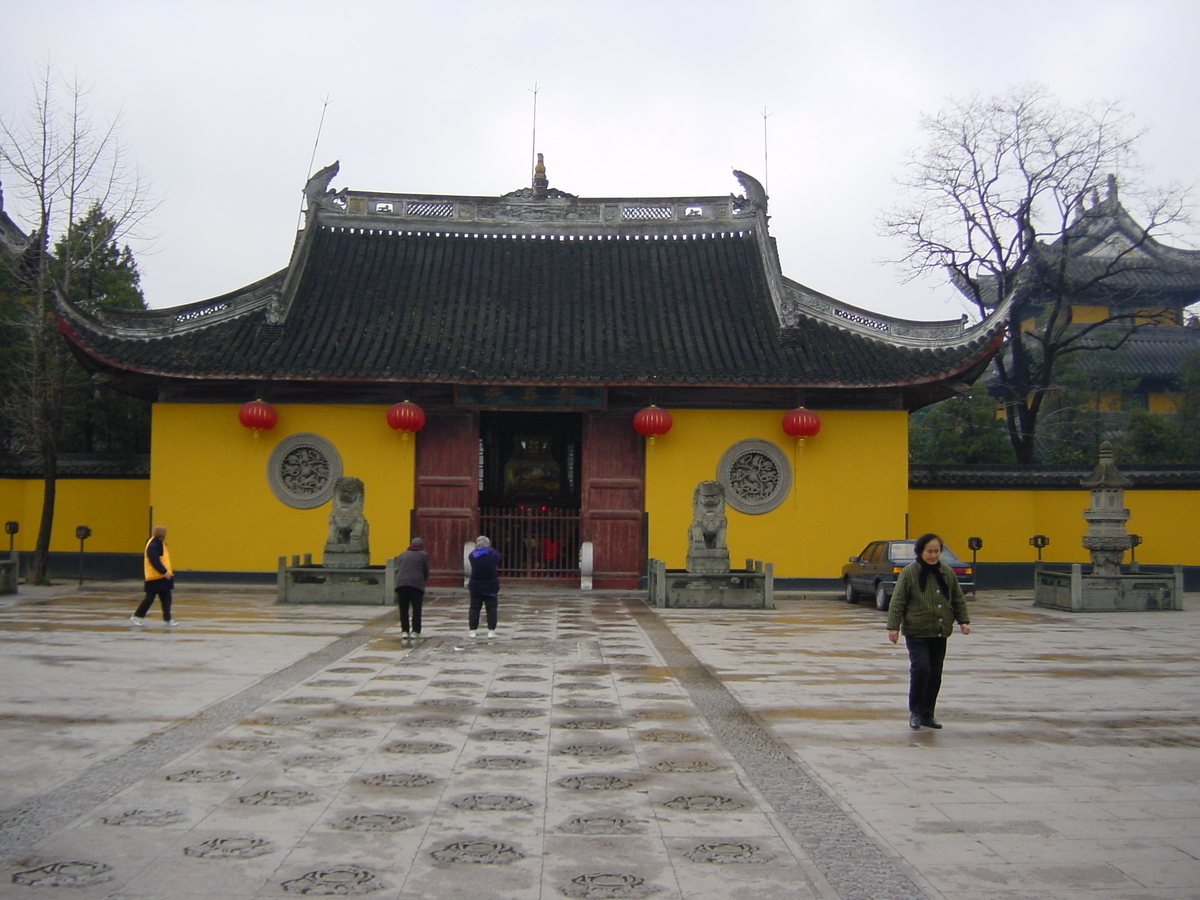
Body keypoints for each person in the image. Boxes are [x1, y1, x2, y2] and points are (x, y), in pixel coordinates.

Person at [886, 532, 970, 729]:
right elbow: (898, 601)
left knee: (935, 674)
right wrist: (893, 627)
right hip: (917, 631)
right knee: (921, 669)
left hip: (940, 631)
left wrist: (963, 621)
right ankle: (915, 711)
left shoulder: (947, 572)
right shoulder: (910, 572)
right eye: (929, 551)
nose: (933, 555)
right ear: (920, 552)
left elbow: (957, 598)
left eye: (937, 551)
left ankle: (927, 713)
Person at [131, 525, 176, 626]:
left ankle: (167, 619)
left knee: (166, 597)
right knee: (150, 598)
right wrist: (164, 572)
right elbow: (154, 561)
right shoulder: (154, 545)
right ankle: (137, 616)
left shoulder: (158, 543)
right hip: (156, 576)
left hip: (160, 576)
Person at [394, 537, 429, 639]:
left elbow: (399, 568)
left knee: (403, 609)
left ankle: (404, 631)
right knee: (416, 609)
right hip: (416, 584)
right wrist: (423, 581)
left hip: (401, 584)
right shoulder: (423, 555)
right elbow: (425, 571)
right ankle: (415, 631)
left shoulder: (402, 554)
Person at [467, 535, 501, 638]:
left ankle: (472, 631)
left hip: (475, 586)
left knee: (474, 608)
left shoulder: (472, 556)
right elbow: (497, 557)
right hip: (490, 586)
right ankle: (491, 631)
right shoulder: (494, 555)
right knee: (491, 609)